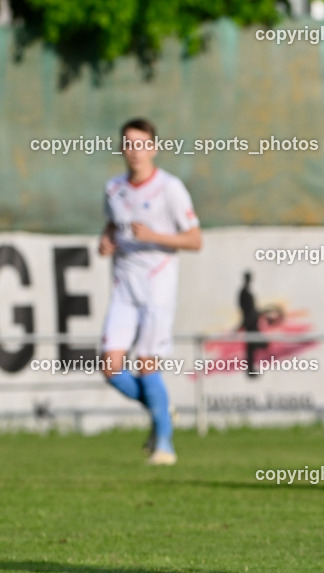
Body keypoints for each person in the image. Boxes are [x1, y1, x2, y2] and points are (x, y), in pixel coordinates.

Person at [99, 118, 201, 465]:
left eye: (141, 143)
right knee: (110, 366)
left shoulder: (170, 188)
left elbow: (194, 239)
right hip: (123, 287)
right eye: (128, 143)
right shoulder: (114, 188)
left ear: (153, 148)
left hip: (157, 286)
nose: (134, 150)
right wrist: (107, 238)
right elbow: (114, 223)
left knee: (145, 366)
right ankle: (162, 410)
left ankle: (165, 447)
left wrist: (154, 236)